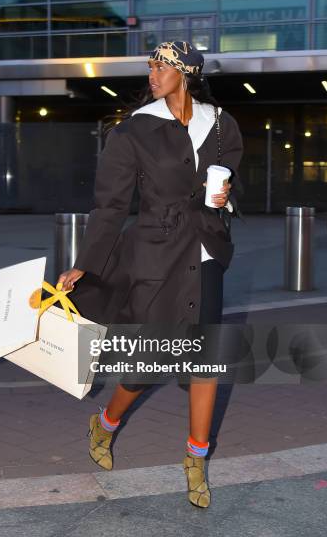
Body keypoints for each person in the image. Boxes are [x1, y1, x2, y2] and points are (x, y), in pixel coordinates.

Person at [57, 40, 245, 509]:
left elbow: (227, 180)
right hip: (155, 257)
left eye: (161, 66)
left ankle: (196, 460)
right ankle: (106, 424)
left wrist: (226, 200)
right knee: (149, 362)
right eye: (151, 66)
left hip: (203, 253)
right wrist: (85, 262)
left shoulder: (220, 124)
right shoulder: (134, 131)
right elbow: (112, 205)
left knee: (205, 360)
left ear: (186, 72)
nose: (152, 74)